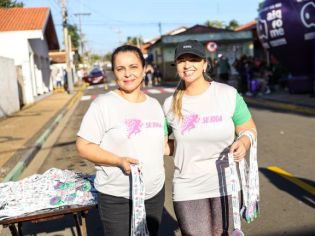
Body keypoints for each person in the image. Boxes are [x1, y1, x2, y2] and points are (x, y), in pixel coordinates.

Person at [163, 40, 259, 235]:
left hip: (226, 184)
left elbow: (249, 129)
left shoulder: (227, 94)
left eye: (193, 60)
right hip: (188, 186)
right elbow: (161, 143)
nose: (187, 65)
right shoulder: (169, 104)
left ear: (205, 64)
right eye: (182, 60)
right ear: (176, 66)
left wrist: (243, 142)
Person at [76, 45, 168, 236]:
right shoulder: (103, 104)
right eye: (120, 69)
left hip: (153, 194)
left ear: (144, 69)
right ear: (114, 73)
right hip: (117, 197)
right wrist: (118, 161)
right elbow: (83, 146)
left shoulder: (154, 105)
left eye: (133, 67)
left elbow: (163, 146)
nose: (127, 74)